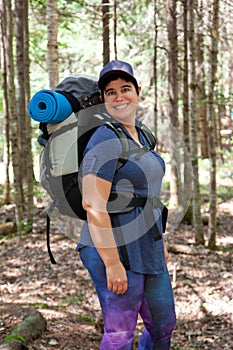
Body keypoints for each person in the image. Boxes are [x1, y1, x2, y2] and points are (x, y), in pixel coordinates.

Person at [76, 60, 176, 350]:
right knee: (120, 331)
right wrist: (112, 263)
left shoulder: (143, 134)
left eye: (125, 89)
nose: (119, 96)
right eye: (110, 92)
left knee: (163, 324)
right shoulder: (104, 138)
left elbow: (148, 195)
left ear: (137, 92)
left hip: (147, 241)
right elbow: (93, 205)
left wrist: (159, 240)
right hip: (111, 244)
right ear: (103, 99)